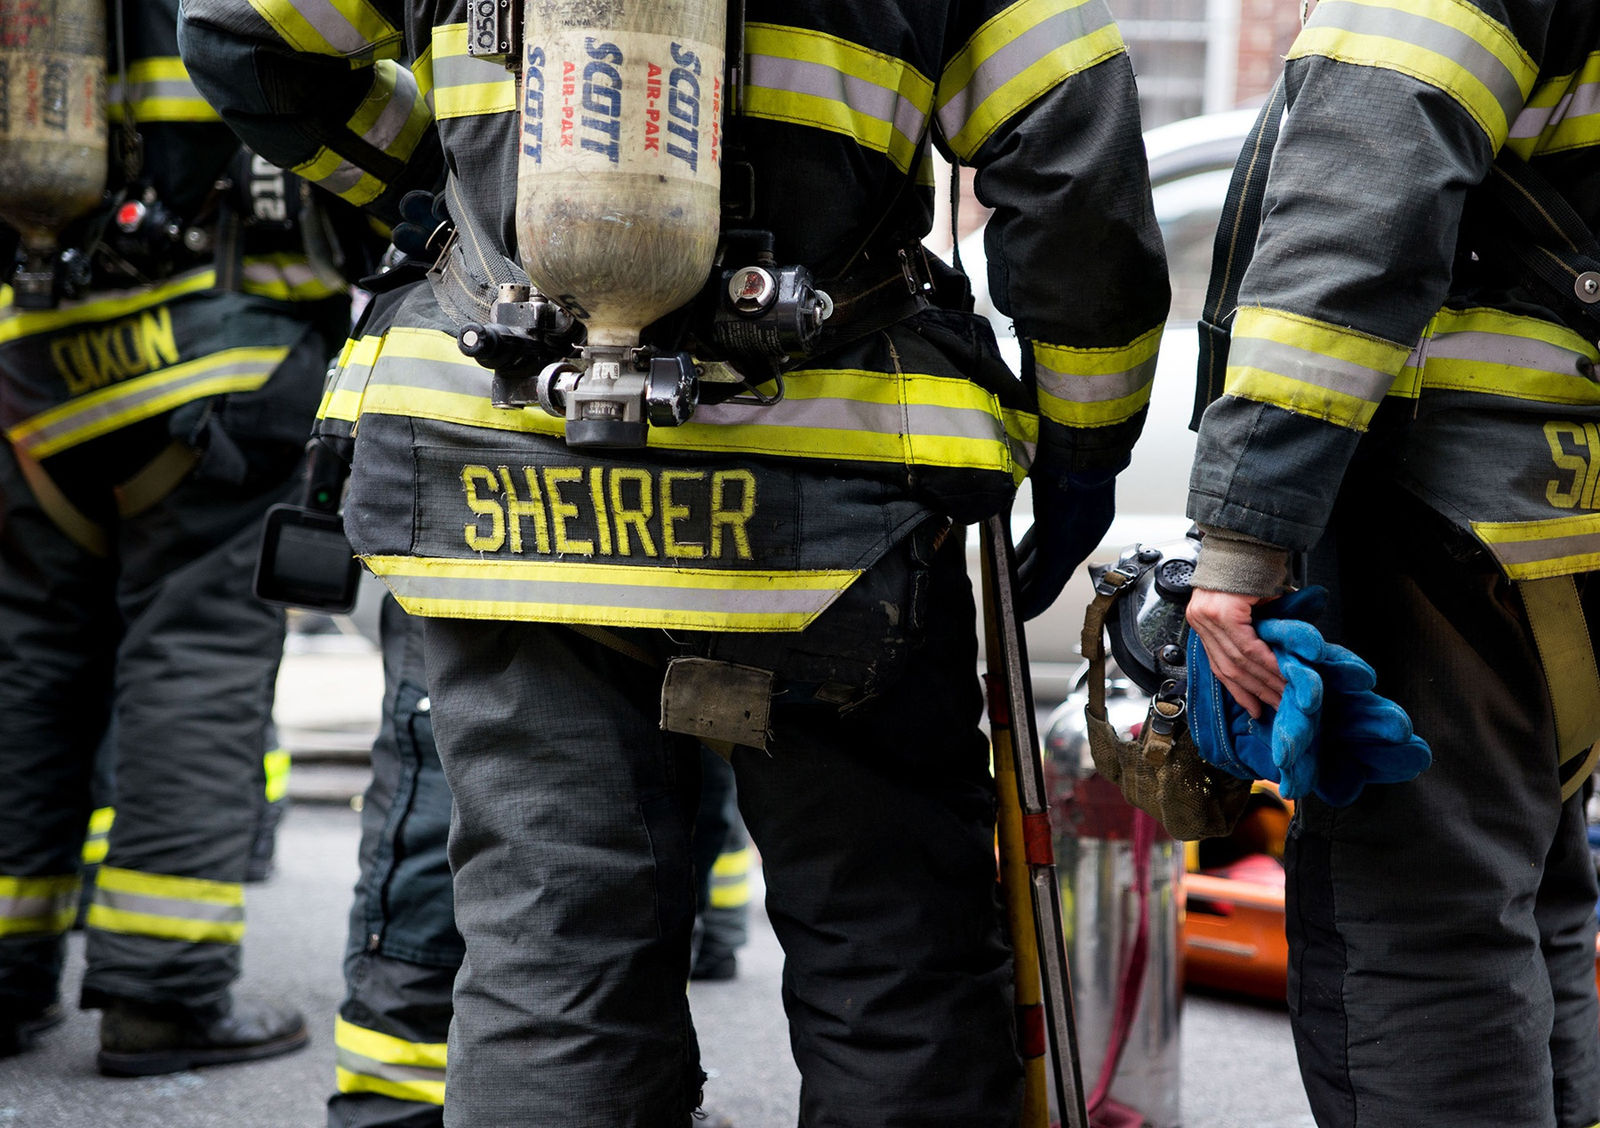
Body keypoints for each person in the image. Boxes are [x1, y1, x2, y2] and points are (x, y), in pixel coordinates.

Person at [177, 1, 1170, 1124]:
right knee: (895, 951)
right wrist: (1087, 443)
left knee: (550, 957)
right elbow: (1073, 154)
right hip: (833, 511)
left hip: (510, 494)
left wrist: (465, 188)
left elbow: (244, 36)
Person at [1182, 2, 1600, 1125]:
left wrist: (1241, 534)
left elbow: (1350, 220)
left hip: (1452, 509)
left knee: (1416, 925)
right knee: (1529, 893)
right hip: (1558, 519)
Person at [0, 0, 359, 1074]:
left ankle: (9, 974)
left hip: (41, 372)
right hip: (224, 358)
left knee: (28, 666)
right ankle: (163, 993)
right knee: (196, 659)